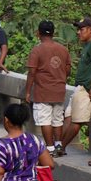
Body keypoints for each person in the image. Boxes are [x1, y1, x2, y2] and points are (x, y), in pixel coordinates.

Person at [24, 21, 72, 155]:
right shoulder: (63, 49)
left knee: (45, 120)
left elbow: (32, 73)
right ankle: (58, 145)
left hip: (43, 91)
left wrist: (28, 92)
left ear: (38, 33)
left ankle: (49, 148)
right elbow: (68, 70)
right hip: (59, 90)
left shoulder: (37, 50)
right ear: (53, 33)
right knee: (57, 119)